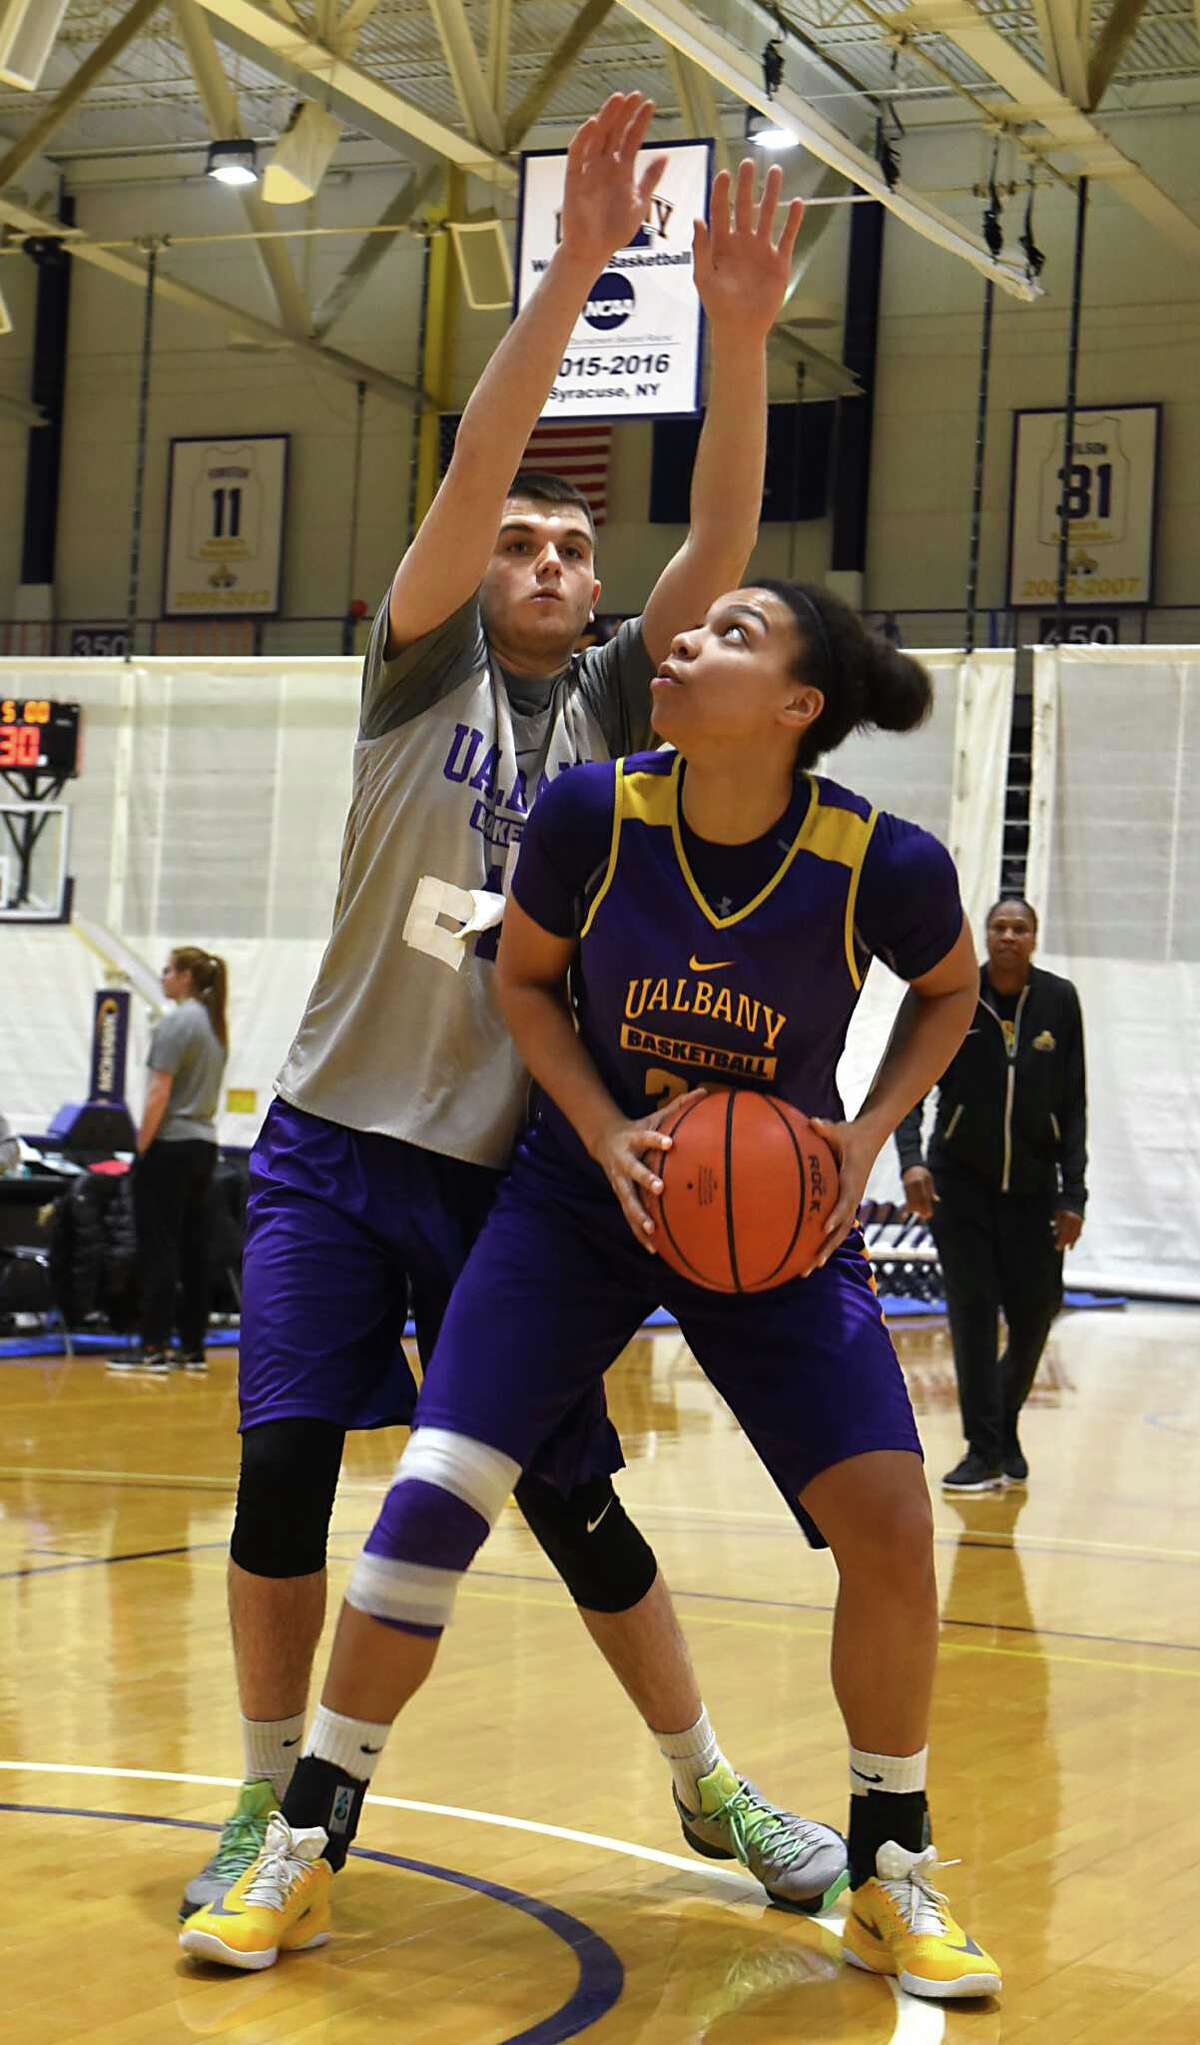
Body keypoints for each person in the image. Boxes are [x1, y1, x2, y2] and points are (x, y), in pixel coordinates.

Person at [179, 96, 845, 1923]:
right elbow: (477, 462)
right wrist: (568, 274)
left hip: (499, 1171)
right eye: (522, 540)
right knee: (282, 1475)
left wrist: (728, 332)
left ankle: (711, 1787)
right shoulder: (415, 668)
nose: (546, 558)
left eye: (572, 547)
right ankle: (266, 1806)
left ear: (602, 594)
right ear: (478, 566)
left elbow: (723, 532)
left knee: (573, 1506)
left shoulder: (635, 707)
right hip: (328, 1143)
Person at [181, 577, 1004, 2005]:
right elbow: (526, 984)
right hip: (584, 1198)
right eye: (693, 626)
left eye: (731, 633)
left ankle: (891, 1868)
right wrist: (603, 1123)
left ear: (798, 710)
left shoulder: (882, 862)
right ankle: (307, 1841)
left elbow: (950, 992)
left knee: (886, 1517)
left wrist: (859, 1139)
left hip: (773, 1216)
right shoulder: (591, 817)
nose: (679, 640)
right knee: (436, 1486)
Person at [895, 896, 1087, 1492]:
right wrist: (912, 1161)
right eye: (999, 927)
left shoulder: (1060, 1000)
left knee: (1035, 1314)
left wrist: (1073, 1193)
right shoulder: (956, 994)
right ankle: (982, 1450)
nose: (1009, 936)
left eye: (1020, 927)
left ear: (1034, 937)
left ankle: (1003, 1423)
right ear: (986, 936)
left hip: (1034, 1191)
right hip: (961, 1187)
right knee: (973, 1318)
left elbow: (1074, 1102)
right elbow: (912, 1078)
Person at [122, 945, 228, 1375]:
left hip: (170, 1146)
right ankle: (192, 1347)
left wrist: (141, 1147)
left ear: (185, 976)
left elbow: (158, 1093)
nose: (163, 978)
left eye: (167, 971)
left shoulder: (177, 1023)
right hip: (204, 1147)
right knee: (193, 1248)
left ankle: (153, 1346)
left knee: (160, 1248)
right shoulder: (213, 1025)